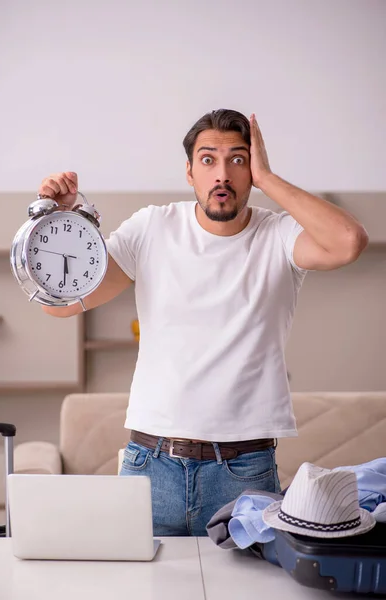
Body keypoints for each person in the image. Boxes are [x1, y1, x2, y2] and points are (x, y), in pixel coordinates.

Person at [39, 109, 369, 536]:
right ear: (190, 171)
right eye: (209, 159)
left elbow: (349, 242)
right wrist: (59, 220)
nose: (223, 174)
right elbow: (60, 305)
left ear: (252, 169)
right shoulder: (152, 227)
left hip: (244, 472)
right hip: (150, 467)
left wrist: (268, 179)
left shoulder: (280, 236)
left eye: (238, 159)